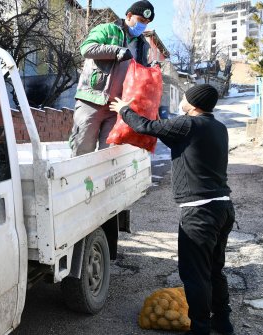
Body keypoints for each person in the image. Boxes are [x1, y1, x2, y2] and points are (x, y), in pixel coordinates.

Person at [109, 84, 235, 335]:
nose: (183, 99)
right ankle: (223, 322)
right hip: (223, 209)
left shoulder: (188, 124)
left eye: (186, 96)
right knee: (214, 270)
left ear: (194, 103)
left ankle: (200, 329)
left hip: (199, 213)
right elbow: (167, 133)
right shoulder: (217, 127)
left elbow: (147, 128)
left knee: (195, 274)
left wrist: (124, 109)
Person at [70, 0, 154, 156]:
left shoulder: (143, 46)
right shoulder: (108, 29)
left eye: (146, 23)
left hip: (117, 107)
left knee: (109, 155)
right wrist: (116, 51)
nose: (143, 26)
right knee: (82, 150)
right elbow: (86, 48)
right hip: (92, 99)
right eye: (141, 20)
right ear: (129, 15)